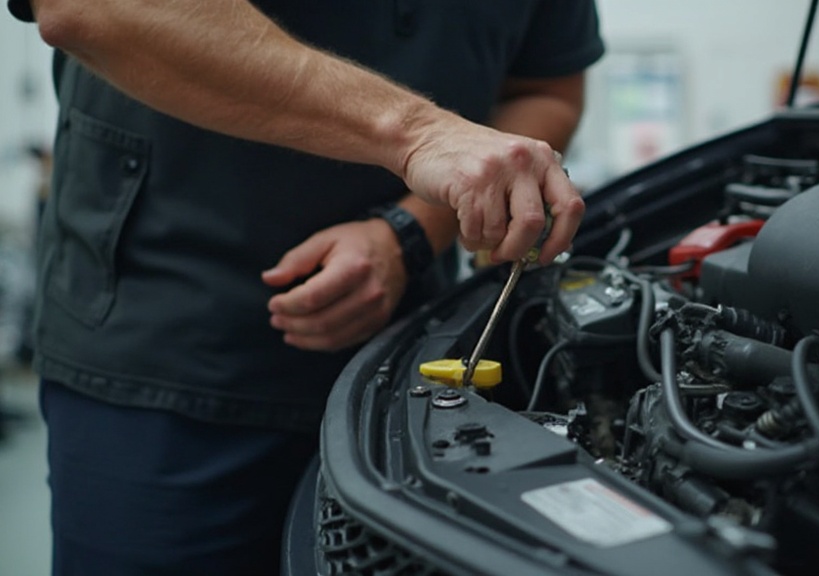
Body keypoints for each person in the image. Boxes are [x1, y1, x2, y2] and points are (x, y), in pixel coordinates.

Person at [6, 0, 604, 574]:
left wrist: (408, 233)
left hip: (410, 369)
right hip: (163, 364)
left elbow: (546, 89)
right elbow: (97, 6)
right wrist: (416, 132)